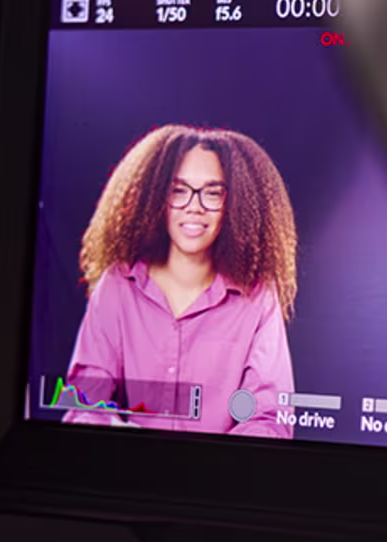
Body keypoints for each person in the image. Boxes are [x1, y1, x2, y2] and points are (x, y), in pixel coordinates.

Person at [60, 124, 298, 437]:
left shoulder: (257, 297)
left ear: (234, 203)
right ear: (157, 197)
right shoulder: (118, 285)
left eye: (212, 193)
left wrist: (207, 466)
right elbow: (83, 404)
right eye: (178, 190)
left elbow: (270, 417)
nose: (194, 206)